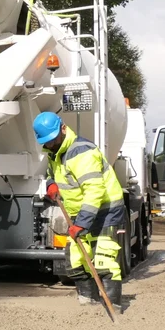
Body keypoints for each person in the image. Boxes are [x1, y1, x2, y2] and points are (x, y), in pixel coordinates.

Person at [34, 112, 126, 311]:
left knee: (104, 259)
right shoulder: (55, 152)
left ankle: (112, 306)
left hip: (105, 212)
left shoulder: (81, 152)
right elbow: (52, 173)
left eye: (53, 139)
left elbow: (95, 190)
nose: (50, 144)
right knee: (75, 259)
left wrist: (82, 223)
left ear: (63, 128)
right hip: (79, 213)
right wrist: (51, 184)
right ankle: (88, 303)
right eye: (47, 142)